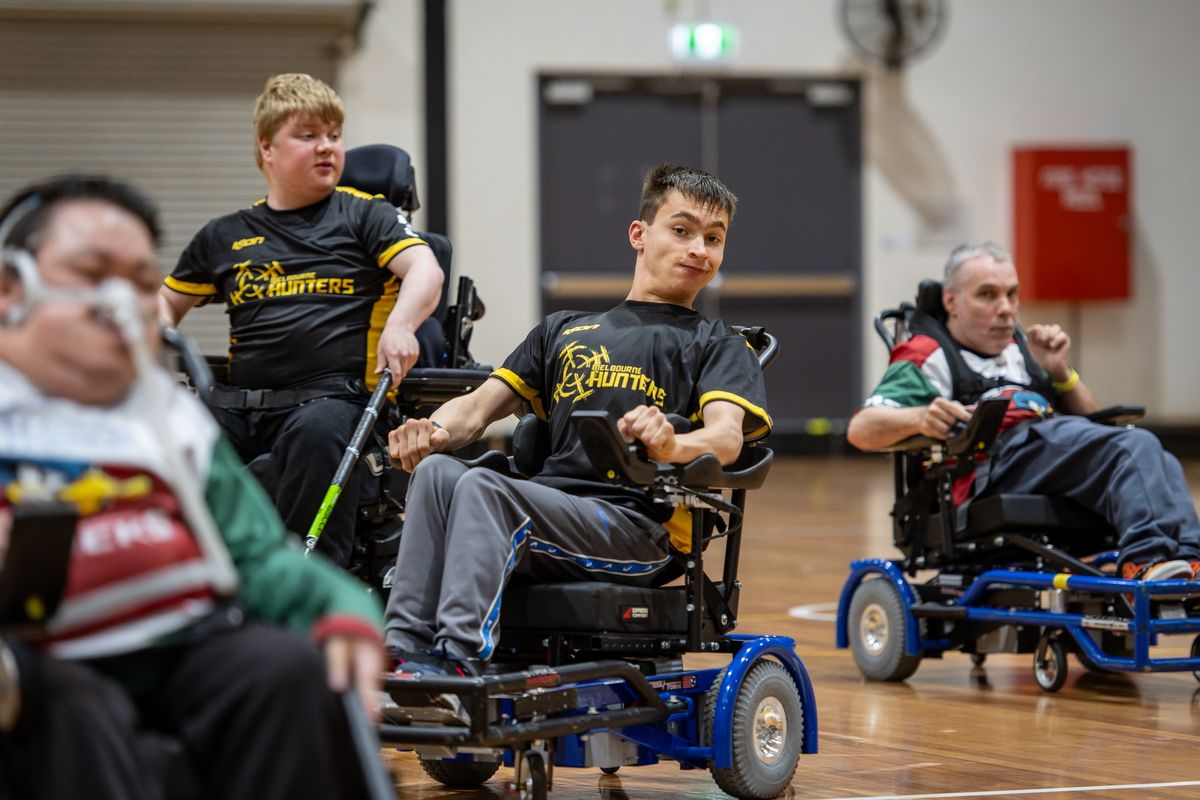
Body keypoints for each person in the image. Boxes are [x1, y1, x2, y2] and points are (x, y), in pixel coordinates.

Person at [0, 175, 384, 799]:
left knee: (285, 672)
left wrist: (341, 609)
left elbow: (258, 556)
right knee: (71, 706)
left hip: (184, 645)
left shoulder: (166, 415)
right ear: (8, 288)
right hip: (45, 664)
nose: (119, 302)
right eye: (92, 273)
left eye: (138, 282)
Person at [380, 164, 771, 711]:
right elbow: (473, 411)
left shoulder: (719, 344)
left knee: (486, 490)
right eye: (681, 231)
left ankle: (457, 664)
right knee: (440, 473)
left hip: (640, 528)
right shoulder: (564, 330)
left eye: (714, 238)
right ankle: (405, 656)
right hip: (558, 510)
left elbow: (726, 439)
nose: (699, 249)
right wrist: (431, 432)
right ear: (640, 234)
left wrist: (670, 444)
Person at [158, 73, 445, 567]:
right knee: (179, 432)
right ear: (267, 148)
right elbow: (160, 308)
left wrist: (400, 325)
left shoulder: (365, 216)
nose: (326, 147)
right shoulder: (225, 235)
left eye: (334, 135)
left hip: (332, 401)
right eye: (308, 135)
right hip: (237, 405)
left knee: (317, 432)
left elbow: (425, 269)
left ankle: (309, 588)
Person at [847, 241, 1200, 581]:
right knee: (1133, 447)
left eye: (1011, 294)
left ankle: (1187, 563)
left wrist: (1060, 373)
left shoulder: (1023, 348)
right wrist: (919, 417)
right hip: (988, 466)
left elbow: (1095, 423)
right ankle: (1145, 561)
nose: (1005, 308)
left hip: (1046, 451)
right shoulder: (928, 354)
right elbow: (861, 428)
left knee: (1153, 453)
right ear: (951, 302)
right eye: (987, 295)